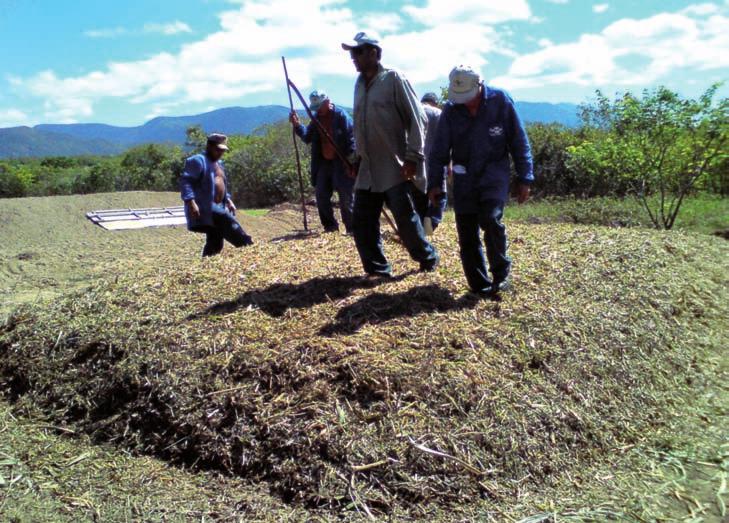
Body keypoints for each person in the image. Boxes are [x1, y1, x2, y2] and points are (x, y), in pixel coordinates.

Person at [427, 66, 534, 295]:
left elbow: (518, 140)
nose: (466, 103)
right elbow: (439, 151)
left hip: (494, 173)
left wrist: (525, 178)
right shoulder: (451, 110)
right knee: (466, 231)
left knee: (491, 219)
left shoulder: (500, 101)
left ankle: (501, 274)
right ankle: (479, 284)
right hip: (464, 176)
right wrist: (435, 184)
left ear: (480, 86)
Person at [342, 31, 439, 277]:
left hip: (395, 166)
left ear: (374, 52)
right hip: (367, 168)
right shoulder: (358, 85)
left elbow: (418, 120)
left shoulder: (394, 79)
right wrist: (355, 158)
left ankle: (427, 257)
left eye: (358, 51)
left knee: (406, 222)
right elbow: (360, 125)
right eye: (352, 52)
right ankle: (378, 270)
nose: (353, 57)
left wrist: (413, 157)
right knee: (362, 222)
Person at [289, 90, 356, 234]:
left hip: (341, 162)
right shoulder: (316, 119)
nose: (318, 110)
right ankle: (330, 226)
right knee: (321, 195)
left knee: (346, 196)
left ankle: (351, 227)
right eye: (316, 108)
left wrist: (352, 164)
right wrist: (297, 125)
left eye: (320, 106)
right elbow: (307, 137)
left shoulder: (341, 117)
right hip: (324, 163)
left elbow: (352, 141)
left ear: (327, 102)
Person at [180, 133, 253, 257]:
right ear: (209, 146)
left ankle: (207, 261)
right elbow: (186, 182)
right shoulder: (197, 160)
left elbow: (220, 184)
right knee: (226, 219)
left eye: (222, 150)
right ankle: (247, 246)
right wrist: (191, 202)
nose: (220, 153)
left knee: (216, 238)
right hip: (203, 207)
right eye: (217, 150)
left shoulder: (219, 164)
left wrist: (228, 200)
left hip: (217, 206)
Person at [415, 91, 447, 235]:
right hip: (435, 162)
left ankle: (418, 227)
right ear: (435, 102)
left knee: (419, 195)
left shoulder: (414, 110)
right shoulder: (439, 114)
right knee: (440, 194)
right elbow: (447, 141)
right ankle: (432, 221)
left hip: (415, 161)